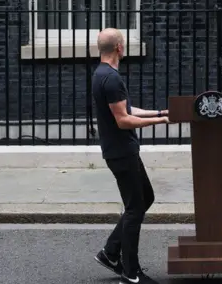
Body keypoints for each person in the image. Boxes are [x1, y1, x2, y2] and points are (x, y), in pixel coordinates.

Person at [91, 28, 169, 284]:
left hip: (121, 151)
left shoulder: (102, 74)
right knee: (135, 207)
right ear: (119, 48)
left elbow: (128, 109)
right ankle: (130, 271)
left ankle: (110, 252)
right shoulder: (111, 79)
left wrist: (158, 113)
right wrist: (156, 123)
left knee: (146, 197)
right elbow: (123, 120)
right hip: (122, 152)